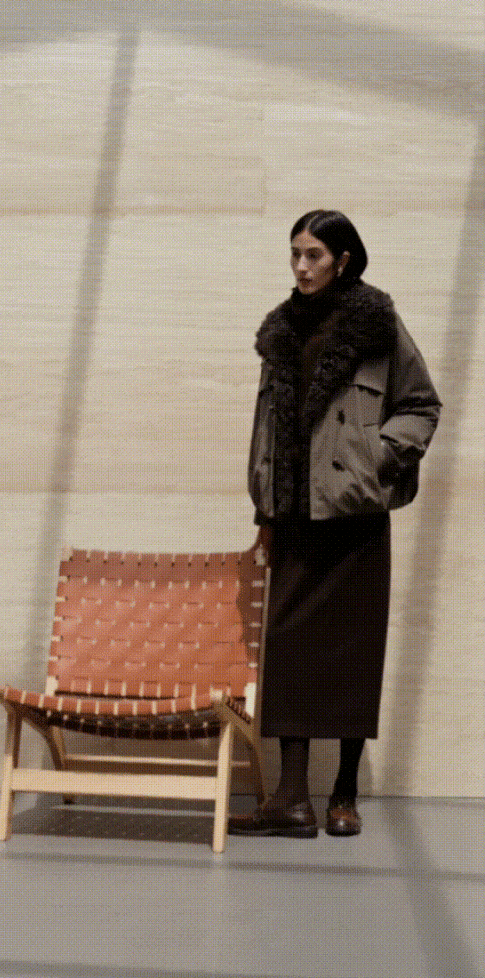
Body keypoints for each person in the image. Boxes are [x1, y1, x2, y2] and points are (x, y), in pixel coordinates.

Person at [230, 210, 441, 838]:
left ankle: (343, 794)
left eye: (314, 255)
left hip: (354, 516)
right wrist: (264, 511)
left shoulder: (378, 323)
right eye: (295, 253)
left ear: (343, 259)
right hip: (293, 514)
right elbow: (267, 429)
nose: (301, 266)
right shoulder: (281, 330)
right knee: (290, 653)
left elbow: (421, 405)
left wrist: (373, 461)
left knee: (353, 650)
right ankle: (292, 798)